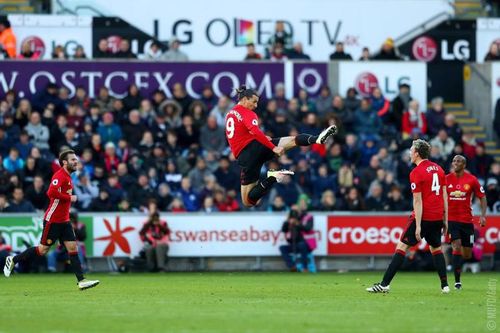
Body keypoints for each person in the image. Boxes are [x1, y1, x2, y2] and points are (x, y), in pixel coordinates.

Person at [225, 85, 337, 207]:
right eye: (254, 102)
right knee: (293, 140)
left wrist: (261, 141)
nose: (256, 105)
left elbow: (240, 134)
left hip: (248, 155)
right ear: (245, 99)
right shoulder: (249, 114)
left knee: (248, 202)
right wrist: (272, 147)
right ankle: (316, 139)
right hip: (255, 148)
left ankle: (272, 177)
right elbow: (255, 131)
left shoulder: (231, 113)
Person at [3, 150, 99, 291]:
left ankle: (81, 281)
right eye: (72, 159)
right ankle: (13, 260)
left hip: (64, 221)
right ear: (64, 162)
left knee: (73, 248)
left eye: (76, 159)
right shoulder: (60, 175)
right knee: (42, 250)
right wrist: (69, 198)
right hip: (53, 220)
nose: (76, 161)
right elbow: (50, 192)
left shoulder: (68, 176)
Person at [366, 139, 449, 293]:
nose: (410, 153)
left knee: (402, 246)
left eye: (411, 150)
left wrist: (418, 225)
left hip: (423, 217)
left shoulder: (416, 172)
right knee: (436, 248)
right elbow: (444, 195)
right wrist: (445, 219)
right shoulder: (439, 169)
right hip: (437, 217)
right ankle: (445, 286)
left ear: (417, 153)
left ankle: (384, 284)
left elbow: (417, 201)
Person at [446, 155, 487, 290]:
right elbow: (440, 198)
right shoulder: (446, 179)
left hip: (467, 221)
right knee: (456, 245)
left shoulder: (472, 179)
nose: (455, 163)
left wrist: (483, 215)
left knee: (466, 253)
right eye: (454, 161)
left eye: (458, 161)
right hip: (452, 220)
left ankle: (459, 266)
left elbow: (482, 197)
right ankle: (457, 281)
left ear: (464, 165)